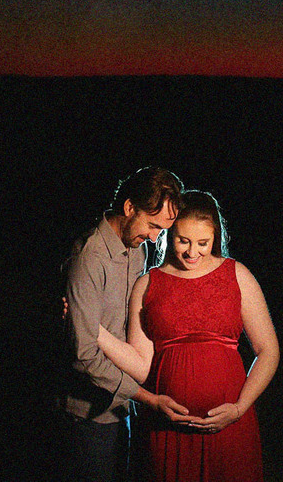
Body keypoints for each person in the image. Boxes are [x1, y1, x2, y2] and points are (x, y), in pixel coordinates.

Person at [97, 191, 279, 482]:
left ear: (215, 237)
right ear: (169, 235)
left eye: (203, 243)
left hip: (231, 425)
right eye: (183, 241)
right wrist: (92, 330)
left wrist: (239, 408)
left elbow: (268, 350)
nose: (192, 252)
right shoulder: (148, 283)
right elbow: (140, 366)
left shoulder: (237, 274)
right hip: (166, 427)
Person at [59, 166, 192, 482]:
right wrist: (148, 398)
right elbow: (84, 354)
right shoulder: (89, 257)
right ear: (129, 207)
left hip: (123, 409)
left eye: (163, 230)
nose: (155, 238)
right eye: (153, 225)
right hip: (89, 416)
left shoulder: (138, 249)